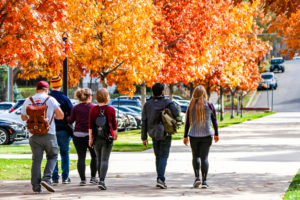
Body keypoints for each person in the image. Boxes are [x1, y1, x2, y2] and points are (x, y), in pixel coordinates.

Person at [21, 81, 64, 193]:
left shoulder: (28, 100)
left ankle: (36, 187)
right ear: (47, 89)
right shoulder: (51, 99)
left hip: (34, 135)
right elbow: (61, 115)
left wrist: (34, 119)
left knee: (36, 160)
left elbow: (23, 117)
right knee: (53, 156)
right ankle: (46, 179)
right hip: (49, 133)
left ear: (36, 89)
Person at [141, 83, 179, 189]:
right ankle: (161, 178)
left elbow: (144, 121)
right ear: (162, 92)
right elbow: (177, 113)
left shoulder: (147, 104)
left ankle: (159, 178)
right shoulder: (167, 102)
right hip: (165, 133)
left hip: (153, 133)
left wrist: (144, 137)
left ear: (153, 92)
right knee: (163, 156)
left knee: (158, 156)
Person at [183, 85, 219, 189]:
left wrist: (185, 136)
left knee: (195, 156)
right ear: (204, 94)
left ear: (194, 94)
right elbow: (214, 120)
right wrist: (216, 133)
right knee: (205, 158)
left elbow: (187, 123)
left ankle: (197, 178)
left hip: (194, 135)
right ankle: (204, 181)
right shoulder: (210, 105)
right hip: (207, 135)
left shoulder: (191, 106)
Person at [89, 88, 118, 190]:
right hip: (107, 137)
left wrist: (90, 139)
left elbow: (90, 126)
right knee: (105, 159)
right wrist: (115, 134)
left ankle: (100, 179)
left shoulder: (93, 109)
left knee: (98, 159)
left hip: (96, 138)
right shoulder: (111, 110)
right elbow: (114, 125)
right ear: (107, 97)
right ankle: (102, 181)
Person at [67, 88, 97, 186]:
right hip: (91, 135)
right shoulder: (94, 107)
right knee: (94, 156)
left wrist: (66, 117)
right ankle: (93, 178)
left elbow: (70, 120)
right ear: (89, 97)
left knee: (81, 157)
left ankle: (83, 180)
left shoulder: (76, 108)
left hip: (78, 134)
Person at [49, 76, 73, 185]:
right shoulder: (65, 99)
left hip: (50, 130)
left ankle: (54, 177)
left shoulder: (48, 98)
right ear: (60, 84)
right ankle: (65, 177)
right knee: (64, 154)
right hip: (63, 129)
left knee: (53, 154)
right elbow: (72, 113)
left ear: (51, 85)